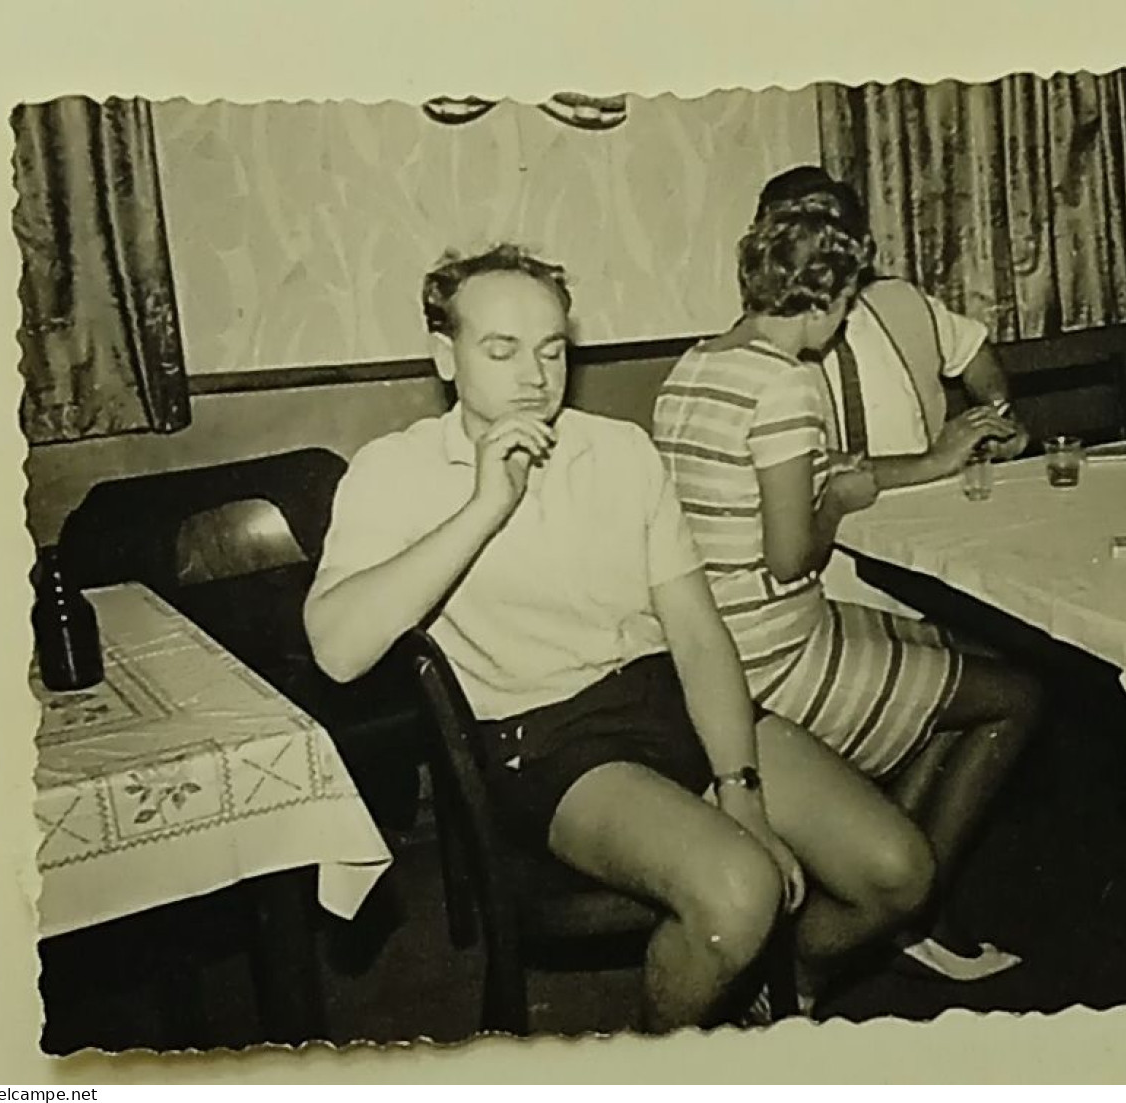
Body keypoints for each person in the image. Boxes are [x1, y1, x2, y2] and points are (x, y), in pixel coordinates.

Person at [303, 244, 934, 1032]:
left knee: (897, 872)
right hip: (539, 736)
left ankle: (790, 981)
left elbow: (698, 635)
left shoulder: (620, 451)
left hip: (656, 694)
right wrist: (481, 506)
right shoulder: (392, 471)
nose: (534, 375)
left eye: (551, 348)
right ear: (446, 355)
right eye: (500, 349)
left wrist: (739, 789)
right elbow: (336, 649)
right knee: (738, 891)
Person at [652, 200, 1044, 982]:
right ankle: (848, 938)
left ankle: (894, 872)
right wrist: (836, 498)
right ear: (827, 298)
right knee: (1017, 696)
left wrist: (841, 483)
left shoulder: (690, 368)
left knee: (956, 657)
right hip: (778, 657)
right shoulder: (787, 384)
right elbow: (792, 556)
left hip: (710, 649)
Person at [754, 165, 1028, 614]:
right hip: (834, 568)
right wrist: (936, 460)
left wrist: (996, 417)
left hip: (937, 537)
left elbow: (974, 351)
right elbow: (819, 478)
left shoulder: (900, 300)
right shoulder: (768, 350)